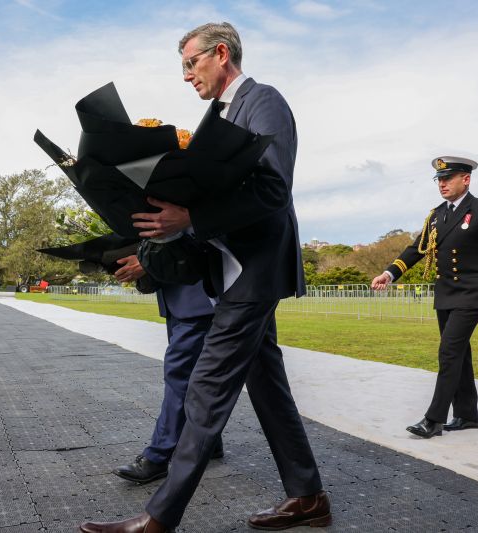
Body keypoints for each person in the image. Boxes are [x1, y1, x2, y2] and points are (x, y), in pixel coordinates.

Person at [80, 22, 329, 533]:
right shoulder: (219, 114)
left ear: (221, 54)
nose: (187, 75)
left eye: (192, 63)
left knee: (207, 388)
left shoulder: (263, 101)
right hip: (233, 268)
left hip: (255, 272)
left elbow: (274, 191)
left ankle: (158, 517)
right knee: (268, 387)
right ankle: (308, 498)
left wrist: (191, 217)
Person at [371, 156, 478, 439]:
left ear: (466, 179)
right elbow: (417, 249)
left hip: (473, 292)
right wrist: (389, 274)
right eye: (439, 179)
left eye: (447, 178)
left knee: (449, 351)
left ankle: (434, 420)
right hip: (446, 294)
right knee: (459, 353)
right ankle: (467, 415)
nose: (442, 184)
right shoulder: (437, 215)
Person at [112, 255, 222, 484]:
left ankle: (158, 456)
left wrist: (148, 260)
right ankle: (208, 442)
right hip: (178, 298)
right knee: (195, 377)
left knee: (179, 376)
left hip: (197, 297)